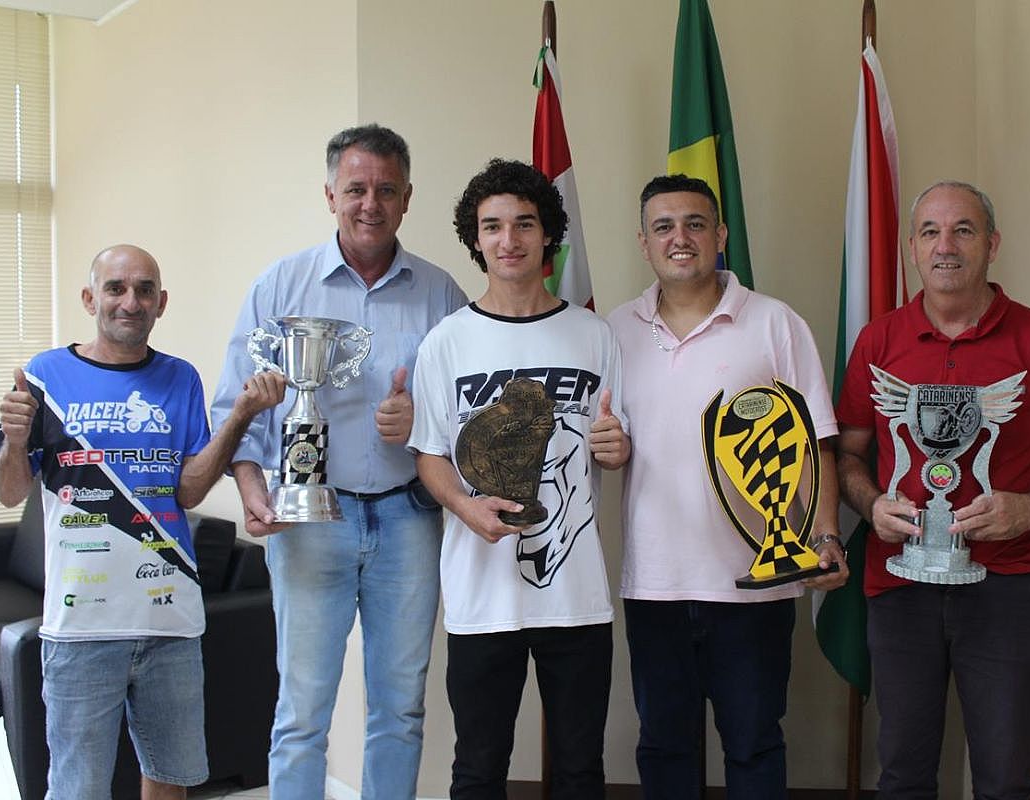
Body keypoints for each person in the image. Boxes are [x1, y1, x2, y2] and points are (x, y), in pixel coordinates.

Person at [836, 180, 1030, 799]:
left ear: (992, 244)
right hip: (898, 586)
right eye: (930, 232)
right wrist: (870, 503)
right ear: (912, 251)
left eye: (963, 230)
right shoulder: (877, 342)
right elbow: (847, 456)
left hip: (1008, 590)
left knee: (1004, 779)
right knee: (902, 774)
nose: (945, 245)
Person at [209, 124, 467, 800]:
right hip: (306, 522)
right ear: (330, 195)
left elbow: (468, 414)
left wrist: (422, 424)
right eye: (356, 189)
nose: (370, 204)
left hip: (408, 520)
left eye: (386, 190)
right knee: (301, 714)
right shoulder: (281, 287)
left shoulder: (442, 295)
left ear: (407, 199)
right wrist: (251, 488)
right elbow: (236, 406)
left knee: (401, 708)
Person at [0, 244, 286, 800]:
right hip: (79, 630)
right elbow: (10, 493)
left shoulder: (180, 378)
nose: (131, 301)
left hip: (169, 621)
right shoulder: (45, 376)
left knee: (170, 779)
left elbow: (189, 488)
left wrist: (242, 415)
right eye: (116, 288)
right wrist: (15, 439)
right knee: (77, 788)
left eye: (145, 289)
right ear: (90, 298)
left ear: (161, 302)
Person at [606, 174, 848, 799]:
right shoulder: (613, 332)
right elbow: (607, 441)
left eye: (693, 223)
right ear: (643, 241)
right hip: (655, 584)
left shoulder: (775, 323)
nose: (679, 238)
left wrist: (824, 534)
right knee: (664, 747)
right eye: (663, 226)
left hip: (758, 586)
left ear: (721, 234)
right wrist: (613, 449)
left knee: (754, 745)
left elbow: (818, 441)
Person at [408, 158, 629, 799]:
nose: (510, 240)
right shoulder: (446, 342)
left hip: (576, 594)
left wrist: (615, 447)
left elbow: (616, 440)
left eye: (525, 224)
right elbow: (429, 455)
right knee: (479, 768)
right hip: (481, 595)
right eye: (493, 226)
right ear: (475, 239)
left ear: (548, 234)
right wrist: (464, 508)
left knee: (582, 768)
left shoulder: (594, 334)